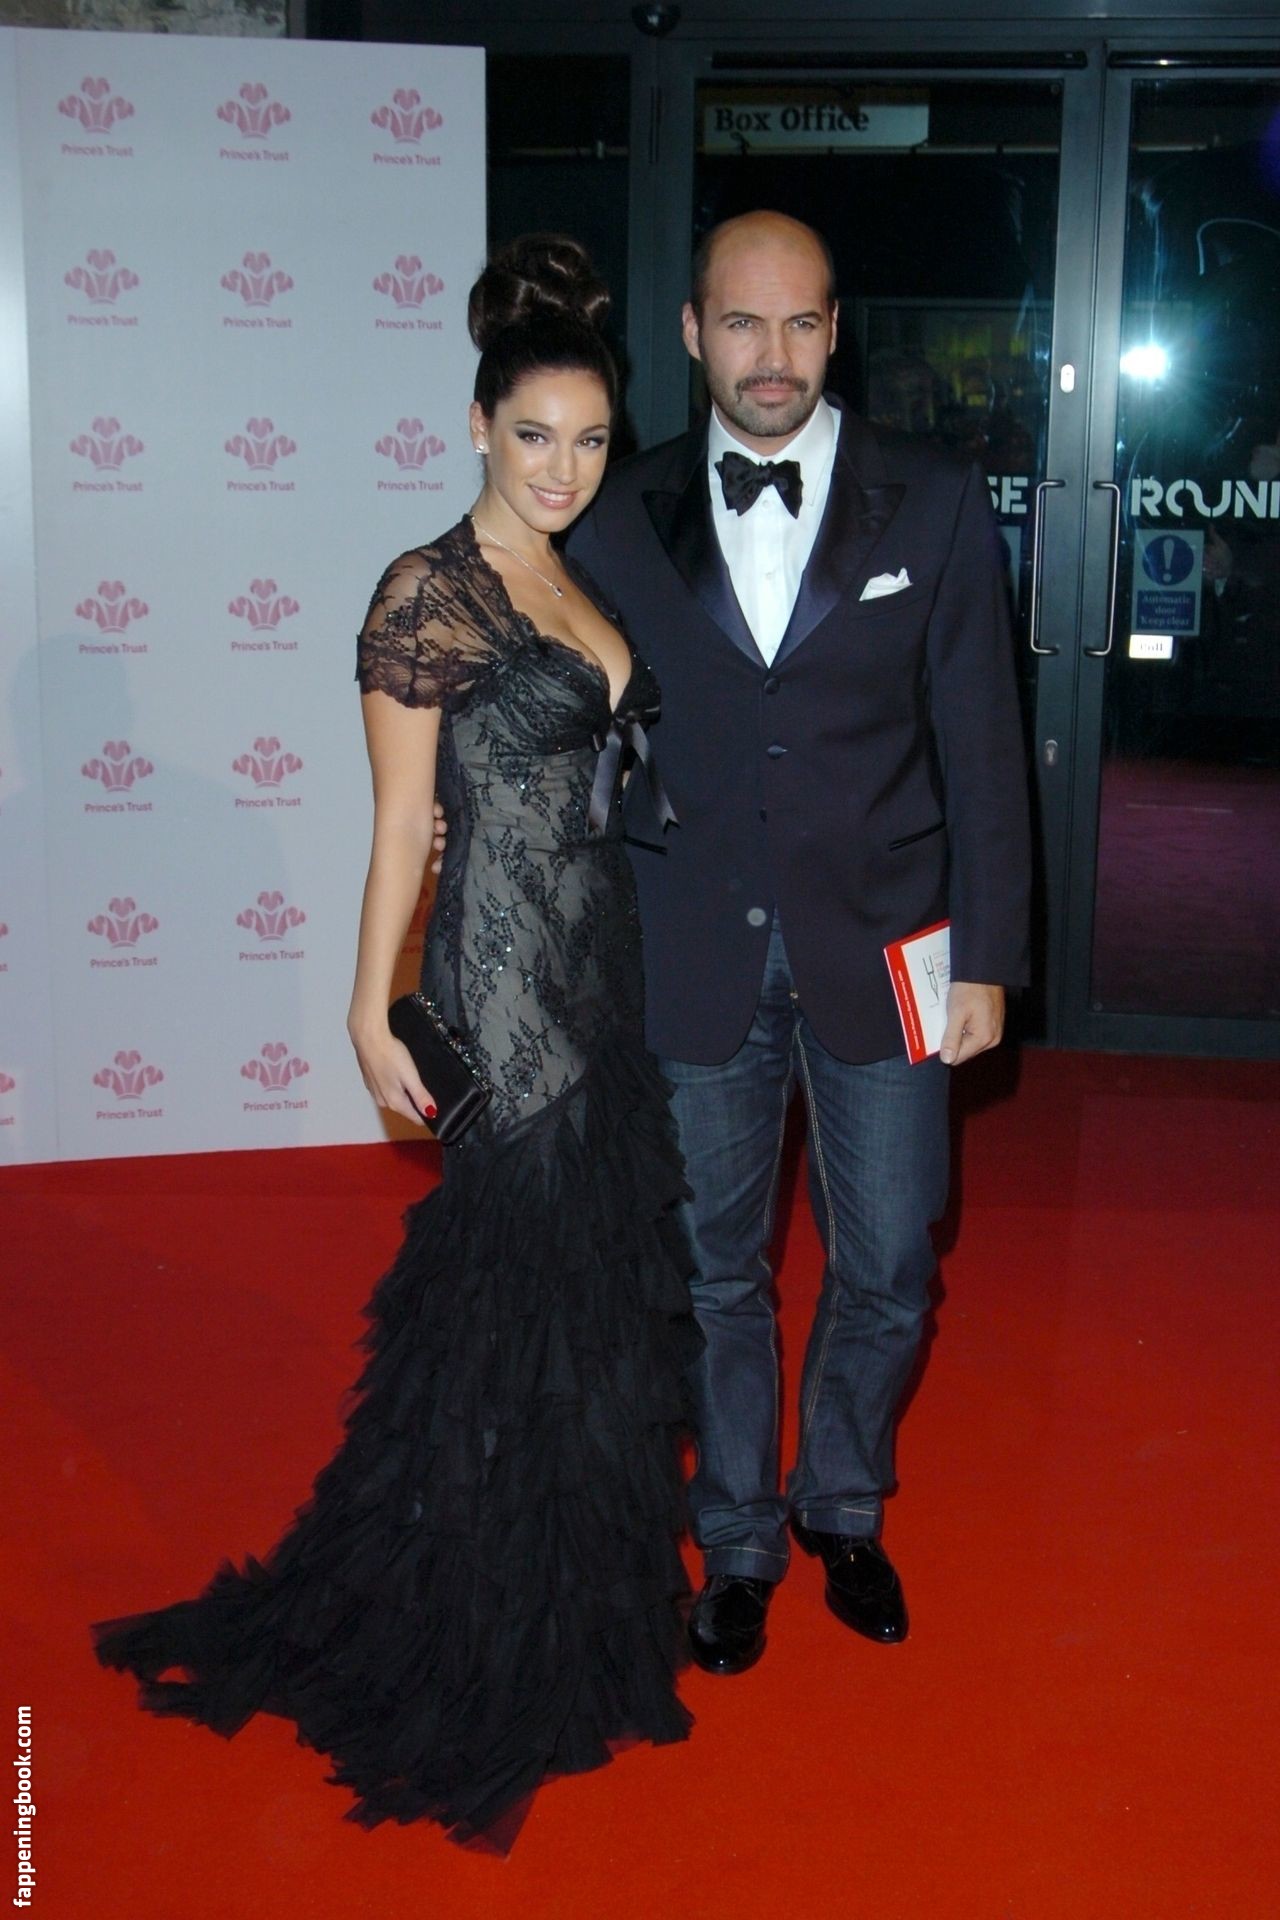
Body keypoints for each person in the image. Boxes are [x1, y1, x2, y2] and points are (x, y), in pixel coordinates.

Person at [91, 235, 698, 1848]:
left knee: (590, 1329)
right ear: (478, 426)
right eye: (533, 435)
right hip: (506, 999)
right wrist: (371, 1008)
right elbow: (401, 826)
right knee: (507, 1330)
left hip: (604, 978)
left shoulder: (576, 574)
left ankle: (566, 1625)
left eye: (590, 438)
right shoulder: (428, 589)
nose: (563, 466)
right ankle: (475, 1644)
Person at [567, 210, 1032, 1674]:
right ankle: (739, 1538)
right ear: (692, 332)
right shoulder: (616, 513)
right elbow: (572, 729)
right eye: (742, 323)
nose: (773, 356)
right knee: (713, 1268)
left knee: (890, 1257)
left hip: (889, 938)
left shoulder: (935, 500)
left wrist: (989, 958)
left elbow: (983, 741)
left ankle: (842, 1500)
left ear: (838, 331)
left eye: (802, 323)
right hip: (689, 941)